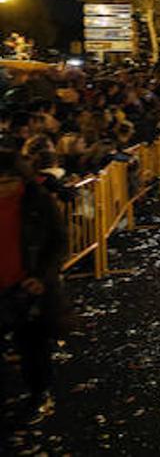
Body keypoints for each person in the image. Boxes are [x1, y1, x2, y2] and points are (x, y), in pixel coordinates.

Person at [0, 149, 68, 424]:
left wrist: (41, 276)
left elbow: (58, 241)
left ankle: (39, 394)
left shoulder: (36, 202)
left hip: (26, 287)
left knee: (32, 347)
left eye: (6, 182)